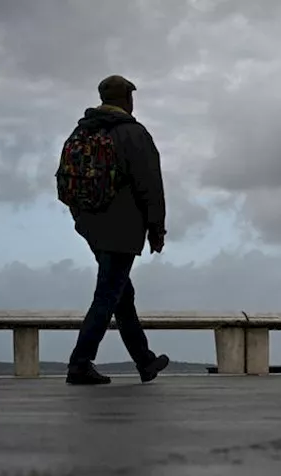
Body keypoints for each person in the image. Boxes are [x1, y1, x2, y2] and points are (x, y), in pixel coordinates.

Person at [57, 74, 169, 385]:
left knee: (122, 294)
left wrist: (85, 220)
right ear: (128, 99)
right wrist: (156, 229)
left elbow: (67, 179)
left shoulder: (83, 130)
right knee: (108, 295)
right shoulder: (133, 134)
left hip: (91, 225)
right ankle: (79, 364)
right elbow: (150, 184)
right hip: (123, 228)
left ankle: (145, 361)